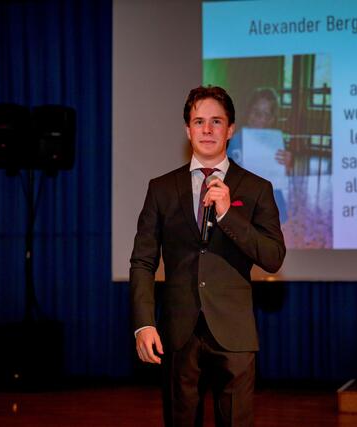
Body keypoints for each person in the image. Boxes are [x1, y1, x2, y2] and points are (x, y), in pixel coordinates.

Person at [130, 85, 286, 426]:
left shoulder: (256, 188)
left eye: (217, 121)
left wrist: (228, 214)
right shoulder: (161, 188)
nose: (207, 129)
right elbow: (142, 261)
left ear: (230, 130)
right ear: (188, 130)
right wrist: (144, 323)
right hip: (178, 332)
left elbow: (273, 257)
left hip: (234, 332)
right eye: (199, 121)